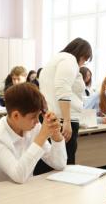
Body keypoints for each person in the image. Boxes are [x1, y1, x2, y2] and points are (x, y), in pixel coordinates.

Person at [0, 82, 66, 183]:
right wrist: (43, 135)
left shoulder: (33, 127)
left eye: (39, 115)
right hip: (1, 191)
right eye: (33, 117)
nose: (37, 121)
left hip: (26, 188)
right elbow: (19, 176)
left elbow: (59, 164)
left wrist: (56, 135)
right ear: (16, 116)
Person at [39, 38, 91, 166]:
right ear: (81, 54)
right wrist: (67, 121)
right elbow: (62, 89)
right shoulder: (69, 60)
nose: (83, 63)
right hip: (63, 119)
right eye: (85, 59)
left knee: (50, 163)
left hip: (52, 117)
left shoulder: (56, 60)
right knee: (65, 165)